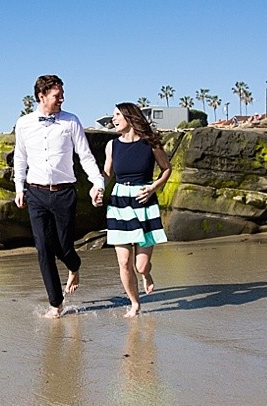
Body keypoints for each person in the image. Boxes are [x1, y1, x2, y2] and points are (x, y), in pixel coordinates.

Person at [14, 74, 105, 318]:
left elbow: (85, 156)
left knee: (64, 247)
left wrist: (98, 183)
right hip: (36, 193)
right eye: (57, 95)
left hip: (64, 193)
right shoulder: (24, 124)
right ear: (41, 96)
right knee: (43, 248)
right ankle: (56, 303)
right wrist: (19, 188)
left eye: (62, 94)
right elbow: (20, 158)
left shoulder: (71, 122)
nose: (62, 99)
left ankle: (74, 266)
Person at [102, 102, 172, 317]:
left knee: (140, 266)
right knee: (124, 262)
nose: (113, 119)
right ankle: (135, 304)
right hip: (119, 203)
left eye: (116, 115)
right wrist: (98, 189)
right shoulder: (112, 145)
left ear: (129, 118)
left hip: (144, 202)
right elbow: (107, 174)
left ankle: (146, 274)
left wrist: (153, 187)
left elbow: (166, 169)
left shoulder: (150, 143)